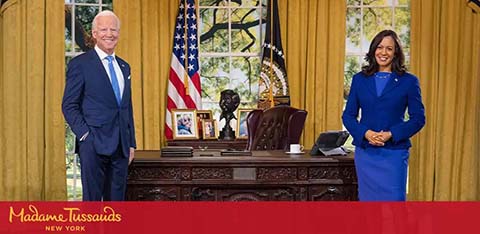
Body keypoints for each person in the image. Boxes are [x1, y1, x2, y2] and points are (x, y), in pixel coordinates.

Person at [342, 30, 425, 201]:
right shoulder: (359, 79)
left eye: (389, 48)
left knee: (393, 208)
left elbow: (418, 118)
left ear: (396, 53)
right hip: (366, 153)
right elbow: (348, 116)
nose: (383, 52)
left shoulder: (409, 81)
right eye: (380, 47)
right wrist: (366, 133)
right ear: (373, 50)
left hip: (393, 154)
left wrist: (391, 134)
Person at [62, 10, 136, 201]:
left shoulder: (124, 66)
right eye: (103, 29)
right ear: (94, 34)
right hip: (93, 145)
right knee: (93, 205)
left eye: (113, 29)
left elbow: (127, 107)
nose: (109, 34)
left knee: (116, 206)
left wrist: (131, 143)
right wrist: (85, 136)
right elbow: (69, 105)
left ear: (119, 33)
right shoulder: (81, 64)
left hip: (121, 147)